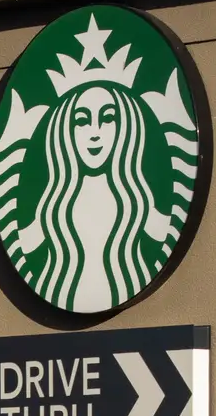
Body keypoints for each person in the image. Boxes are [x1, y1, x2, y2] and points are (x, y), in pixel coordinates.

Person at [12, 81, 172, 314]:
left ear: (124, 128)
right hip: (63, 289)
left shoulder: (137, 197)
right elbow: (24, 244)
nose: (95, 133)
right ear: (66, 132)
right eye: (82, 121)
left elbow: (162, 234)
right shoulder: (54, 202)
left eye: (107, 119)